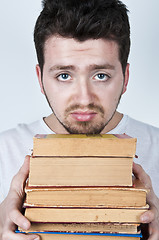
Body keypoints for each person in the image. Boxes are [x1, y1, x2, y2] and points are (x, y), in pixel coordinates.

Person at [0, 0, 159, 239]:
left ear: (125, 78)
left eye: (101, 75)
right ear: (40, 78)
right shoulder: (3, 152)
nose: (84, 98)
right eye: (64, 75)